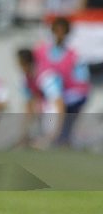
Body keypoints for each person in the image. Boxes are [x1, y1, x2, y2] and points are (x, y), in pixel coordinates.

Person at [32, 16, 91, 147]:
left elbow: (82, 81)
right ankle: (50, 136)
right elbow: (36, 73)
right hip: (47, 93)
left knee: (57, 102)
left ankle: (53, 137)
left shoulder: (74, 54)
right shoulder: (41, 50)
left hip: (68, 94)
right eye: (57, 30)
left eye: (62, 31)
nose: (59, 34)